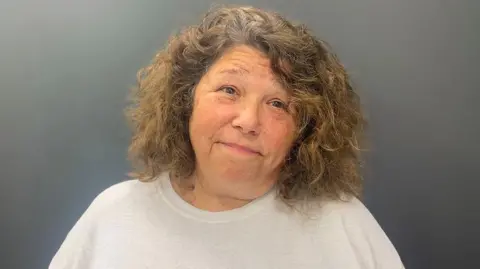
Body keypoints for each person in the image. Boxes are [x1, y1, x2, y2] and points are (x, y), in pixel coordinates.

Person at [49, 5, 404, 269]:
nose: (248, 121)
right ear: (185, 101)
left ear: (305, 129)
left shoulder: (341, 225)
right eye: (229, 90)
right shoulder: (114, 216)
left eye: (278, 103)